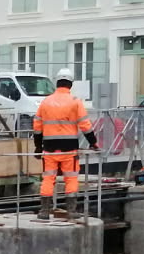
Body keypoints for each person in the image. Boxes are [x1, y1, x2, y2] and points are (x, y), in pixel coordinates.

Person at [32, 68, 97, 218]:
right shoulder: (75, 102)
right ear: (70, 84)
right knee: (71, 178)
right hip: (69, 149)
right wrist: (93, 143)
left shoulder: (45, 102)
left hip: (49, 148)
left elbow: (37, 127)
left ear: (57, 83)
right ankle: (71, 211)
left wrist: (38, 147)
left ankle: (44, 211)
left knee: (48, 178)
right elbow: (85, 126)